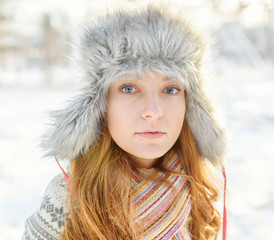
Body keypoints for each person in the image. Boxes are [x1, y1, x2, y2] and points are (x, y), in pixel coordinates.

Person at [22, 2, 226, 240]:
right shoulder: (67, 199)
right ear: (100, 106)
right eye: (129, 88)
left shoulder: (197, 189)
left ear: (191, 105)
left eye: (170, 89)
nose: (153, 111)